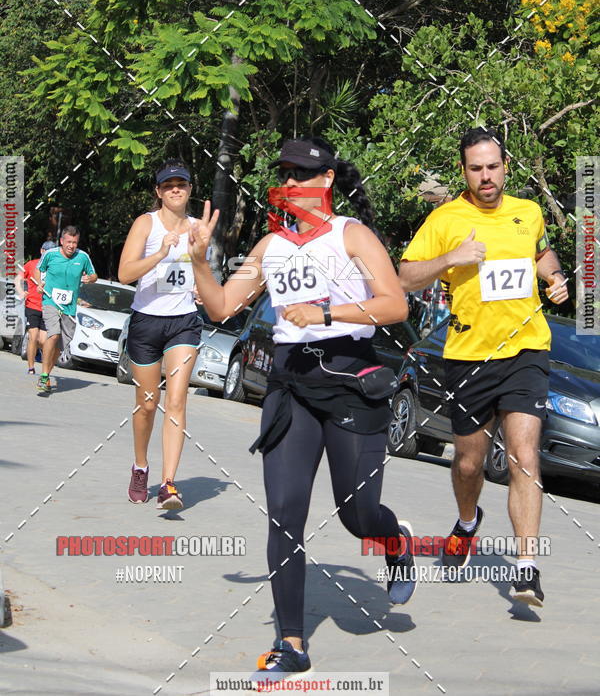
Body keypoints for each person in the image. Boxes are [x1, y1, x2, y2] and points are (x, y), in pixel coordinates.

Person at [187, 137, 415, 684]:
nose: (291, 182)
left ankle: (395, 540)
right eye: (284, 172)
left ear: (328, 179)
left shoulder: (352, 235)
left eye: (302, 173)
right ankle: (291, 641)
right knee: (285, 513)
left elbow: (395, 303)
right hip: (290, 384)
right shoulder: (270, 246)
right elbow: (220, 307)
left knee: (356, 516)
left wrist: (327, 311)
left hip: (349, 378)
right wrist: (198, 261)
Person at [398, 127, 569, 607]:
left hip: (526, 351)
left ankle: (527, 569)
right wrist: (452, 257)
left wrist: (554, 277)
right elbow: (404, 275)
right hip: (469, 357)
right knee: (469, 462)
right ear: (464, 172)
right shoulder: (446, 218)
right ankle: (468, 521)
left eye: (493, 166)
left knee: (524, 456)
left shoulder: (528, 212)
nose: (486, 176)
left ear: (505, 167)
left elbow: (540, 253)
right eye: (476, 168)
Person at [118, 159, 203, 511]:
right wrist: (161, 253)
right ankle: (141, 466)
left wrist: (203, 287)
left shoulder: (199, 227)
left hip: (184, 322)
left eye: (181, 184)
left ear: (189, 189)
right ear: (159, 192)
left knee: (178, 400)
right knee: (148, 405)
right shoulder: (146, 223)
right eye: (168, 185)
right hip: (147, 323)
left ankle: (168, 484)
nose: (175, 190)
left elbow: (203, 269)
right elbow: (124, 273)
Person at [33, 227, 97, 394]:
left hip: (69, 306)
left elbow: (94, 275)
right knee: (53, 334)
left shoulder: (83, 257)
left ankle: (47, 371)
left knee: (60, 346)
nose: (71, 246)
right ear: (62, 241)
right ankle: (44, 375)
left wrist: (91, 278)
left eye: (74, 242)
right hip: (50, 300)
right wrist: (39, 283)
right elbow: (38, 269)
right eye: (68, 242)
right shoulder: (50, 254)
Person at [16, 240, 56, 374]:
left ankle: (38, 355)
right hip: (32, 305)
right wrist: (21, 292)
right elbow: (17, 280)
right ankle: (31, 367)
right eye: (47, 251)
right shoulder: (31, 264)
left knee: (43, 340)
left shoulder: (56, 269)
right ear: (42, 251)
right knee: (33, 335)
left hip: (48, 307)